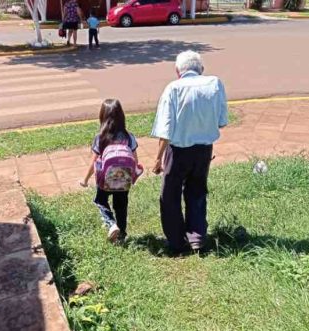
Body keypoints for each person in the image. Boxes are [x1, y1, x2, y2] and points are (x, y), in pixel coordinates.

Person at [151, 50, 228, 253]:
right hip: (204, 150)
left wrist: (158, 159)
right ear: (201, 69)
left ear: (178, 71)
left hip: (178, 151)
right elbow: (221, 121)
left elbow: (165, 129)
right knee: (197, 190)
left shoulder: (173, 89)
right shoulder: (215, 84)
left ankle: (176, 241)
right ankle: (197, 237)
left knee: (170, 195)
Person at [80, 99, 141, 243]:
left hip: (105, 179)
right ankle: (122, 234)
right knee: (121, 206)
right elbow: (135, 160)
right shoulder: (128, 136)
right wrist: (134, 174)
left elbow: (94, 161)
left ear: (102, 116)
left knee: (100, 201)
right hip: (123, 179)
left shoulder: (100, 138)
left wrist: (85, 179)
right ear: (121, 116)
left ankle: (110, 223)